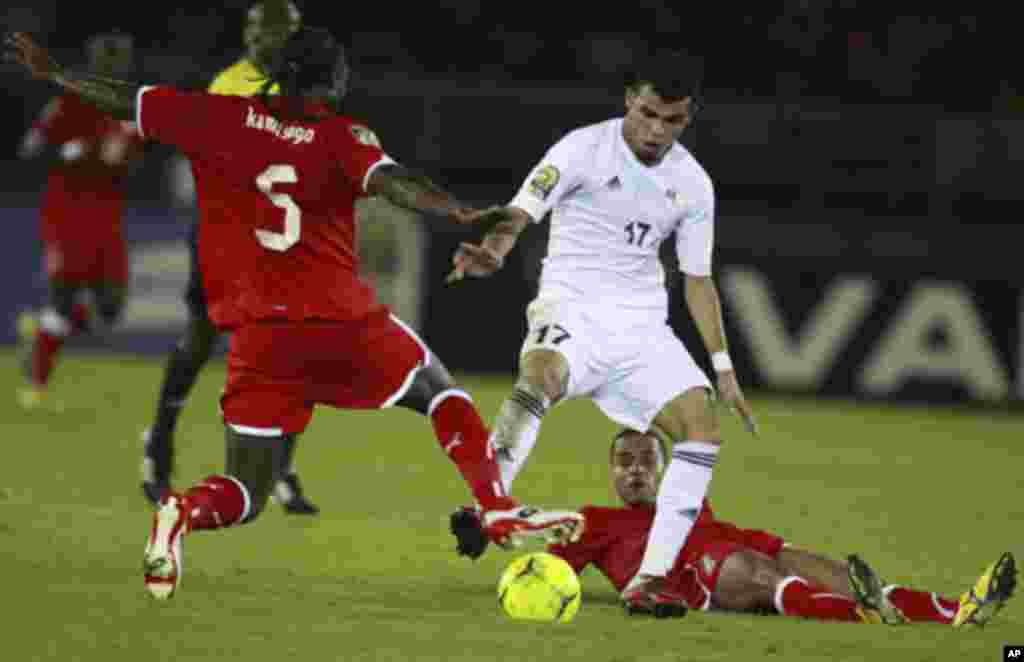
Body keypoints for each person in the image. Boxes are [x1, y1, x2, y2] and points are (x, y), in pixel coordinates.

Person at [7, 28, 584, 601]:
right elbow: (396, 183)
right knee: (439, 392)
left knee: (246, 491)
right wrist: (458, 211)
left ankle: (181, 510)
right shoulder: (340, 137)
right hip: (341, 323)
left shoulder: (213, 116)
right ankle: (498, 508)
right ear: (334, 81)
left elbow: (124, 97)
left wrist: (55, 73)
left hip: (259, 338)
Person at [445, 50, 757, 615]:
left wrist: (724, 368)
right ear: (628, 102)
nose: (658, 131)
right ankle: (487, 507)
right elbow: (521, 211)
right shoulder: (582, 148)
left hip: (642, 331)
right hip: (573, 309)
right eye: (648, 114)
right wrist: (493, 250)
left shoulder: (693, 184)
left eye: (673, 120)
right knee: (540, 378)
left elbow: (698, 281)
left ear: (688, 117)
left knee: (702, 429)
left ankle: (650, 579)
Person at [460, 429, 1018, 626]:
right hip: (692, 577)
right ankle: (865, 616)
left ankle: (955, 609)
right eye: (623, 462)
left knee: (828, 570)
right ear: (610, 471)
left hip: (735, 537)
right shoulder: (597, 523)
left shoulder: (685, 499)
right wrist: (485, 530)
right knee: (758, 577)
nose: (633, 470)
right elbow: (542, 543)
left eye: (644, 460)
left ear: (663, 466)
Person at [140, 0, 318, 515]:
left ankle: (279, 466)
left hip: (283, 239)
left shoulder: (309, 83)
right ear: (250, 35)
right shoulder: (230, 85)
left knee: (294, 350)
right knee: (201, 337)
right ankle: (159, 442)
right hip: (228, 236)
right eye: (266, 31)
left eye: (285, 31)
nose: (275, 40)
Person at [15, 32, 144, 410]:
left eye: (122, 60)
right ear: (96, 63)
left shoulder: (130, 109)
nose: (118, 67)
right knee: (63, 297)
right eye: (111, 60)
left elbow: (134, 162)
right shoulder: (68, 104)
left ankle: (38, 331)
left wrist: (125, 162)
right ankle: (36, 384)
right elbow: (30, 152)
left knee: (111, 308)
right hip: (66, 214)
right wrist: (74, 151)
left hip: (107, 217)